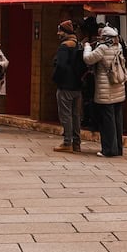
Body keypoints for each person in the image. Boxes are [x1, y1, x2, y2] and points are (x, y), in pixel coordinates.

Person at [83, 25, 127, 158]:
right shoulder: (118, 47)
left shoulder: (102, 48)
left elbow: (88, 59)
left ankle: (108, 149)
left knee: (107, 121)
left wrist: (87, 47)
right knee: (117, 120)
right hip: (118, 88)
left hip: (105, 90)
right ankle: (118, 148)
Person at [52, 20, 83, 153]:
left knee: (66, 115)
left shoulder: (64, 46)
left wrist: (56, 79)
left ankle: (67, 142)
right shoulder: (78, 44)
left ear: (65, 32)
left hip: (66, 86)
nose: (58, 33)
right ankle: (77, 143)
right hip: (78, 85)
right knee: (76, 115)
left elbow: (61, 66)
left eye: (60, 31)